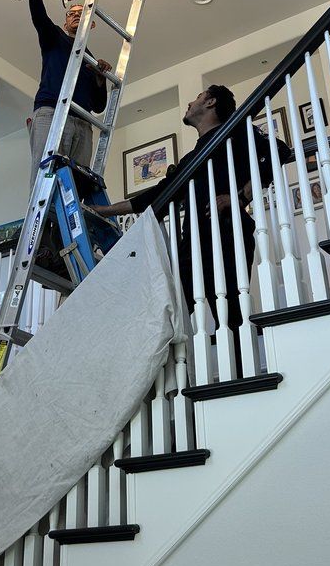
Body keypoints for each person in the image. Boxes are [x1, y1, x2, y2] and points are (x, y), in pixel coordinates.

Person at [91, 85, 291, 366]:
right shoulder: (192, 159)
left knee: (231, 309)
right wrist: (104, 210)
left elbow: (279, 151)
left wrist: (239, 196)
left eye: (197, 97)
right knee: (173, 312)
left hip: (227, 232)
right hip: (192, 245)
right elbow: (154, 196)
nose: (190, 102)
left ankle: (247, 376)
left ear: (210, 102)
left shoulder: (234, 133)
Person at [18, 0, 112, 188]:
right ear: (65, 21)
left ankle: (67, 225)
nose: (76, 16)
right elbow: (39, 17)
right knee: (45, 179)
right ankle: (42, 225)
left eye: (82, 13)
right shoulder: (55, 37)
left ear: (91, 25)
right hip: (52, 112)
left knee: (78, 185)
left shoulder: (90, 59)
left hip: (82, 121)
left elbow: (99, 106)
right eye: (72, 13)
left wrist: (101, 79)